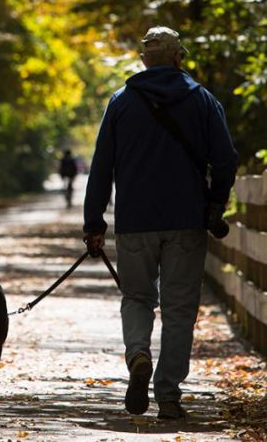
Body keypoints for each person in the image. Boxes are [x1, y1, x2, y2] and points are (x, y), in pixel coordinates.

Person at [82, 26, 238, 419]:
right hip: (186, 220)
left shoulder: (121, 102)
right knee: (179, 309)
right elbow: (225, 160)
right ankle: (168, 395)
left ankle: (137, 354)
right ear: (177, 57)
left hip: (135, 221)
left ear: (143, 60)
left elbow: (102, 166)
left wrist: (94, 221)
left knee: (136, 298)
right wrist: (216, 201)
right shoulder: (203, 101)